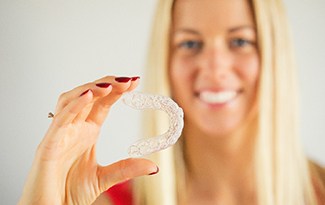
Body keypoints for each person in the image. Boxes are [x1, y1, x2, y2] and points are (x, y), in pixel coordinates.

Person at [19, 0, 325, 204]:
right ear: (164, 59)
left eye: (240, 41)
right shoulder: (103, 199)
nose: (214, 68)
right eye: (189, 43)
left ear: (274, 53)